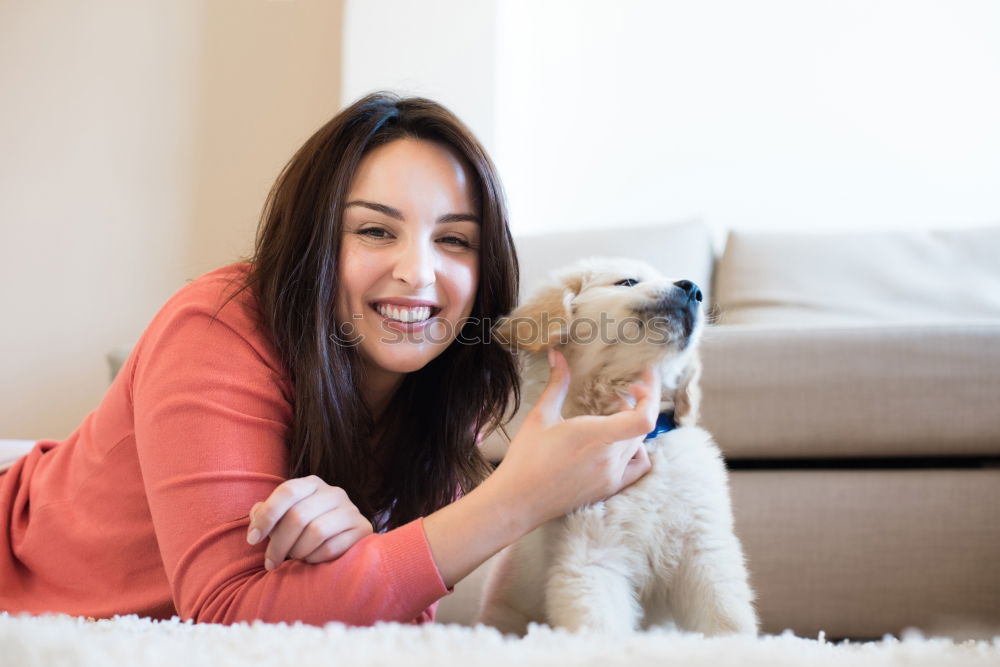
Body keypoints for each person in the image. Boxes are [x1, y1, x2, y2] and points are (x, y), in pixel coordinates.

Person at [0, 92, 658, 626]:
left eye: (455, 239)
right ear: (317, 240)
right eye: (375, 229)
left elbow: (389, 608)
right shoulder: (218, 322)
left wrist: (365, 550)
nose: (417, 273)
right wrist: (519, 497)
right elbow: (228, 611)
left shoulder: (441, 381)